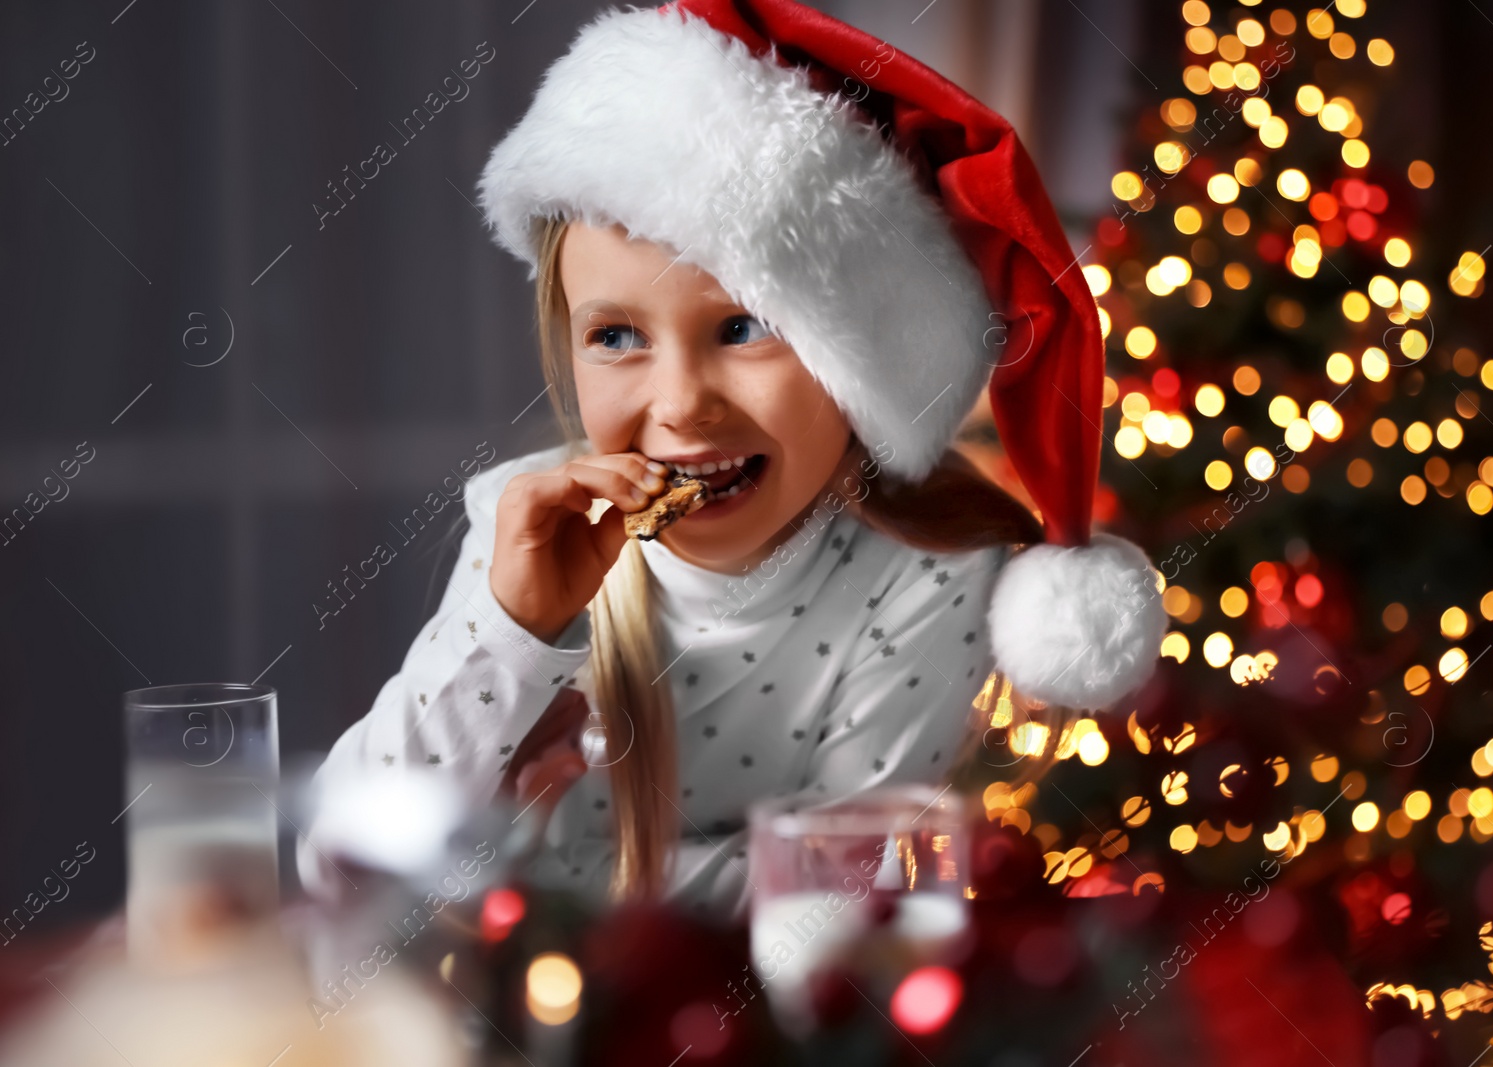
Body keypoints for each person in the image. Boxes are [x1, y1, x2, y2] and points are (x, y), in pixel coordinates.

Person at [300, 0, 1166, 918]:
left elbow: (834, 908)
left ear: (855, 356)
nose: (680, 404)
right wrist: (509, 627)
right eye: (617, 335)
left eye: (743, 327)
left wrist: (513, 876)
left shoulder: (926, 579)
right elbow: (348, 863)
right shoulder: (530, 533)